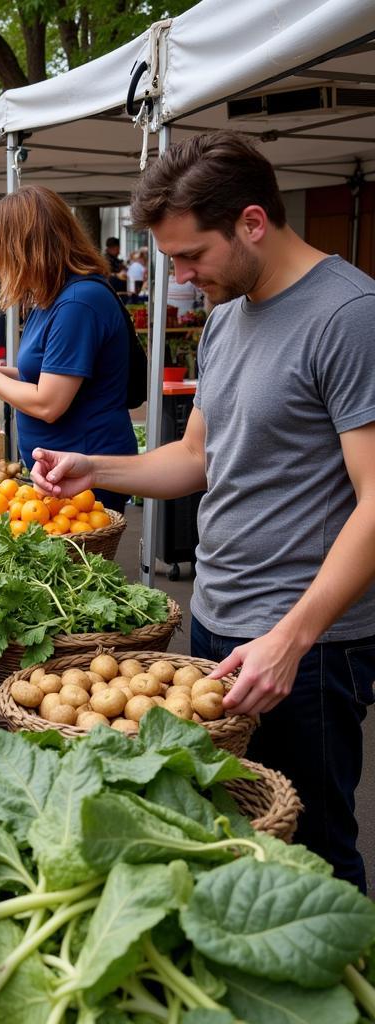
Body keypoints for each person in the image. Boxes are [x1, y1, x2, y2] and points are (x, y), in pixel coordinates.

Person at [31, 131, 375, 889]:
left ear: (253, 222)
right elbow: (197, 460)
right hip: (218, 621)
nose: (181, 278)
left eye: (191, 257)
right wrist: (95, 466)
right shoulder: (227, 314)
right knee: (239, 835)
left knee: (313, 853)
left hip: (305, 648)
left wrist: (291, 639)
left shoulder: (349, 315)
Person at [0, 185, 136, 513]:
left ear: (25, 246)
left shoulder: (78, 303)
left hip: (83, 472)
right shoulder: (53, 297)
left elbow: (48, 403)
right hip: (59, 472)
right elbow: (44, 375)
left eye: (1, 247)